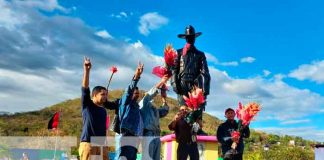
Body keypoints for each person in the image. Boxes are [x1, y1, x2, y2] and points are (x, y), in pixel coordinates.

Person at [171, 25, 210, 107]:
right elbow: (174, 70)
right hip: (182, 86)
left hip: (195, 87)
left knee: (196, 115)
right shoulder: (179, 53)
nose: (190, 39)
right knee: (183, 113)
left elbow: (205, 72)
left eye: (192, 37)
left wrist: (204, 91)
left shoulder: (200, 54)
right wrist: (174, 84)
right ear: (185, 38)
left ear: (195, 38)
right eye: (188, 37)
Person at [79, 57, 109, 160]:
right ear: (94, 95)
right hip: (88, 144)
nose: (105, 96)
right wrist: (87, 70)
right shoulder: (87, 105)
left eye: (106, 94)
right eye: (102, 94)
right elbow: (85, 88)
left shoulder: (104, 111)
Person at [118, 62, 144, 160]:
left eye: (138, 93)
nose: (137, 95)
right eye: (135, 93)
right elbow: (129, 90)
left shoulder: (136, 107)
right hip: (127, 135)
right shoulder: (126, 102)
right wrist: (137, 76)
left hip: (135, 137)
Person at [139, 75, 170, 160]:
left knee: (156, 158)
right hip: (148, 134)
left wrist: (164, 97)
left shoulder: (154, 109)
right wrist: (161, 82)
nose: (152, 98)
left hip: (156, 134)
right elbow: (149, 95)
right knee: (147, 157)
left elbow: (164, 111)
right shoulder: (143, 104)